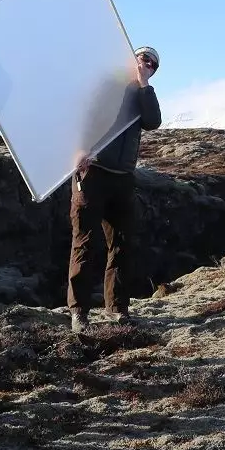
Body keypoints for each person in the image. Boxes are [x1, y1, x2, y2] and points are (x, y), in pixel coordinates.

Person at [67, 46, 162, 332]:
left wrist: (144, 84)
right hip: (93, 173)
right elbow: (83, 115)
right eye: (142, 58)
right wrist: (79, 150)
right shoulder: (108, 85)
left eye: (152, 63)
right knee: (84, 242)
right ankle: (79, 312)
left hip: (123, 177)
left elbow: (153, 122)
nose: (146, 64)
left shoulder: (143, 93)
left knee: (122, 244)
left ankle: (117, 308)